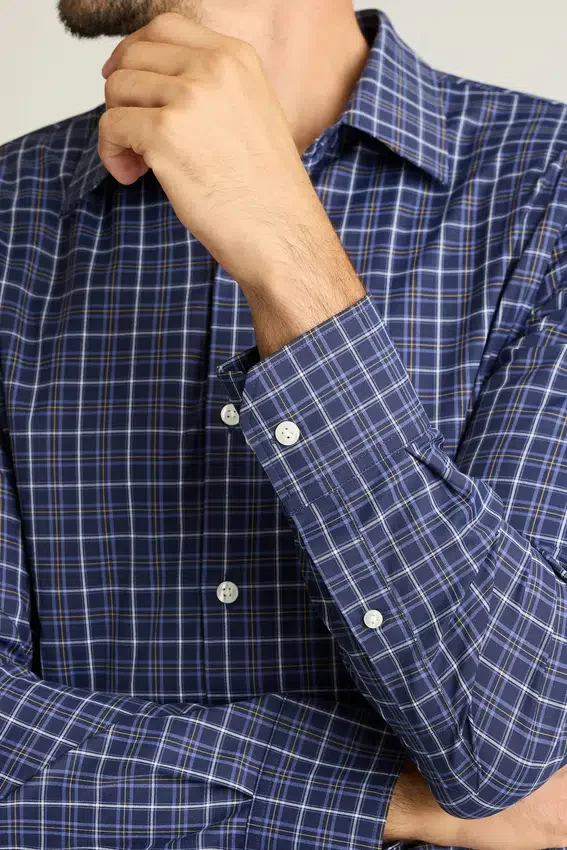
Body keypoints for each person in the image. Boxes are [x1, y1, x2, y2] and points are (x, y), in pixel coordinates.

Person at [0, 0, 566, 847]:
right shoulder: (10, 219)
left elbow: (509, 734)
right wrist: (390, 802)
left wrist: (286, 249)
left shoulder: (550, 196)